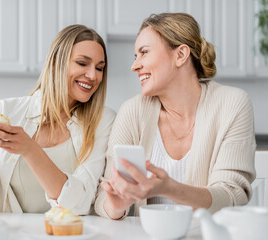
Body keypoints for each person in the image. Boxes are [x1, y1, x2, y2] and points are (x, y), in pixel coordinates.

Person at [94, 13, 256, 219]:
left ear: (180, 55)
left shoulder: (232, 104)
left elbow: (232, 195)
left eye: (144, 52)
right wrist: (116, 206)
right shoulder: (132, 111)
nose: (134, 66)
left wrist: (169, 188)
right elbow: (103, 198)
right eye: (136, 56)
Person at [0, 24, 115, 214]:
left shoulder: (103, 121)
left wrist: (31, 150)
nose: (93, 75)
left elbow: (80, 202)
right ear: (56, 62)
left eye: (99, 68)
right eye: (82, 63)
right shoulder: (5, 110)